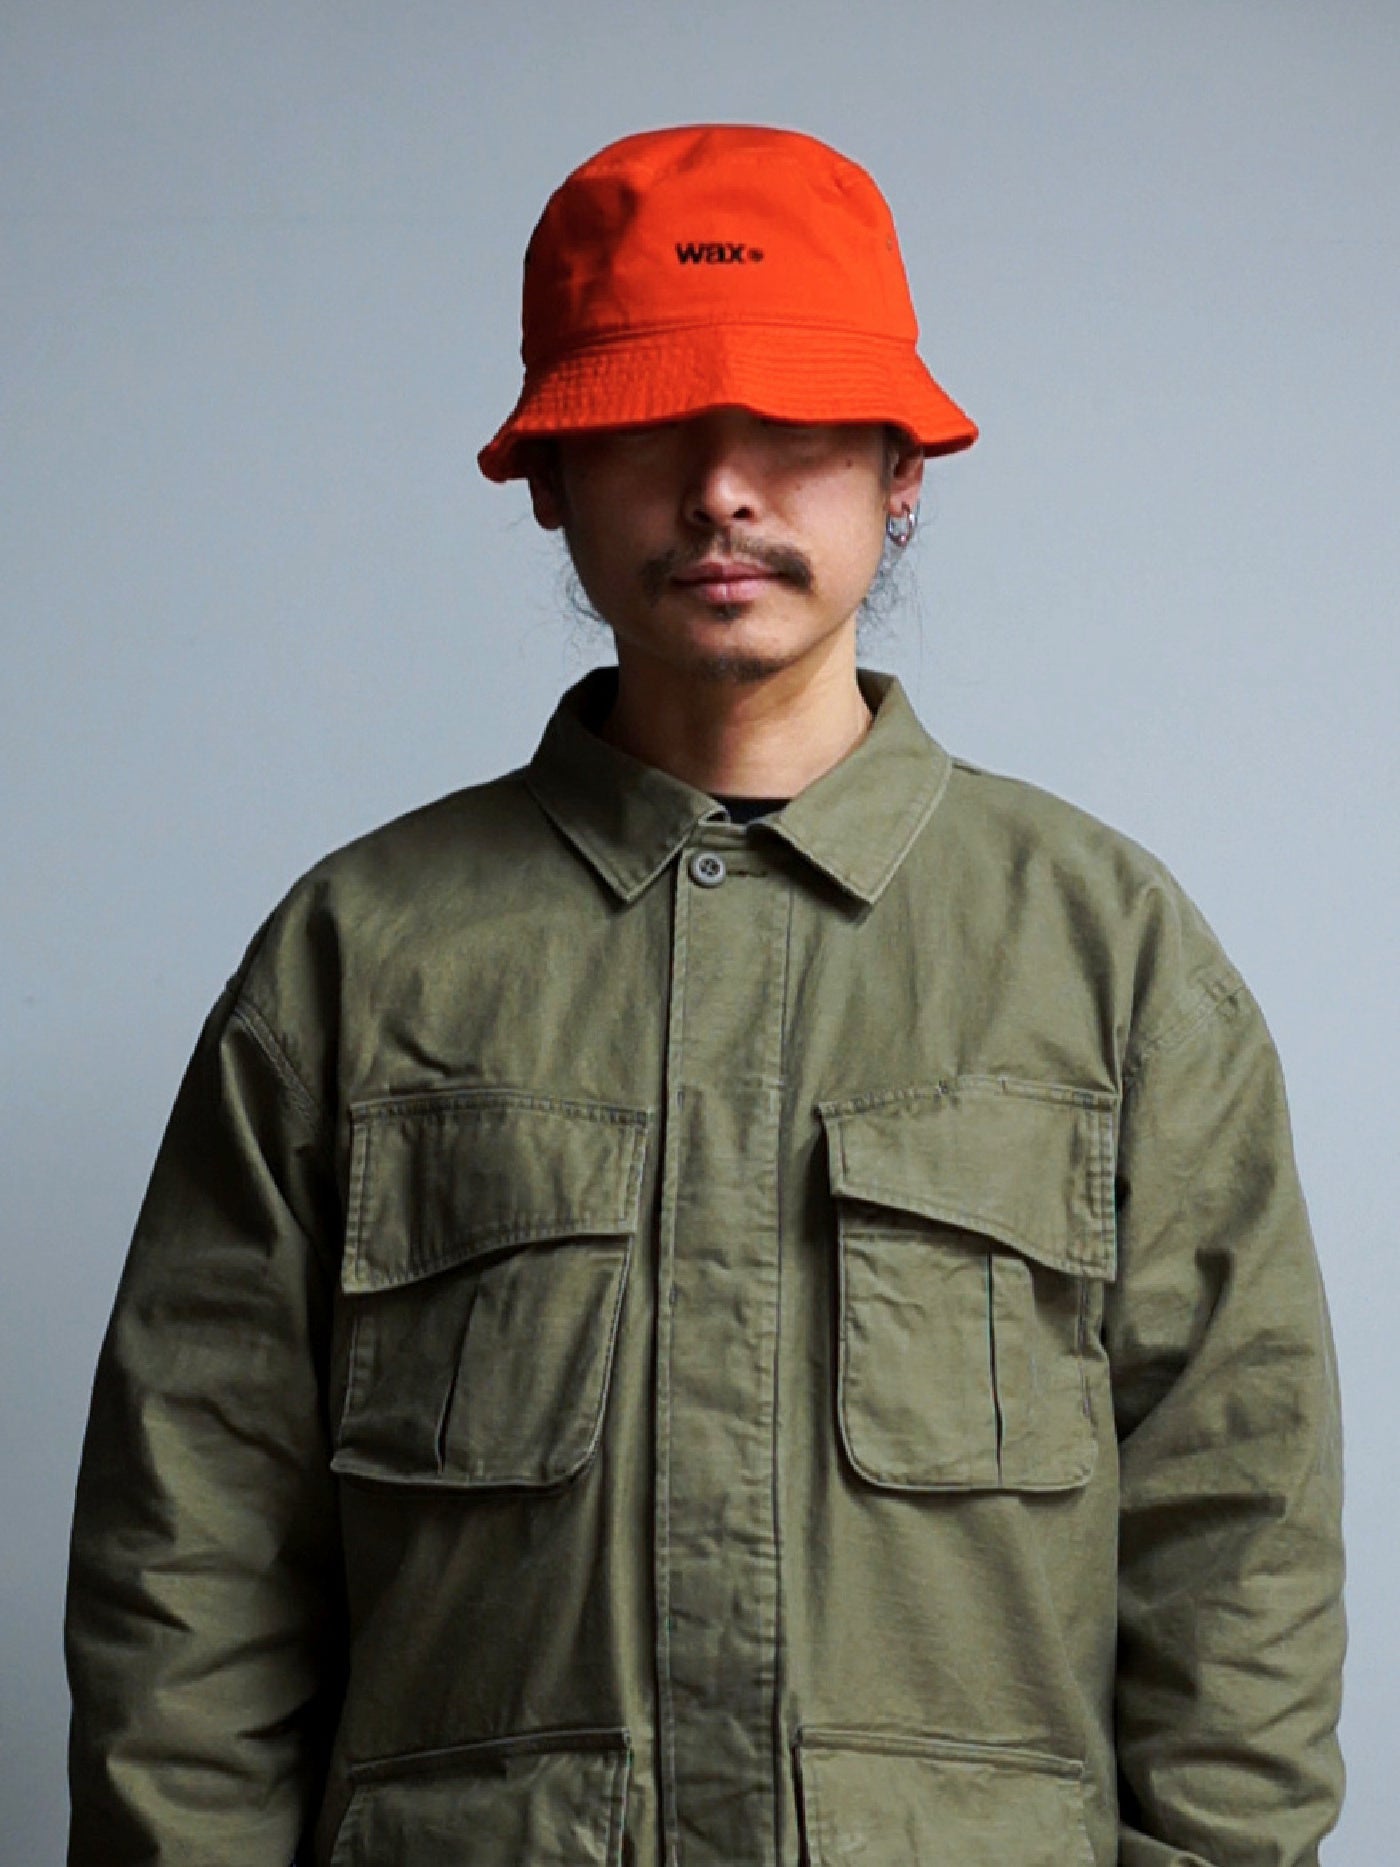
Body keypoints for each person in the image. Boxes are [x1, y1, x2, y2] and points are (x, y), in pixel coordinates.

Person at [65, 122, 1346, 1867]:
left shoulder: (1106, 957)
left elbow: (1241, 1541)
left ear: (901, 467)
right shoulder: (358, 958)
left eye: (795, 422)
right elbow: (187, 1561)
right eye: (651, 419)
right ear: (548, 476)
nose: (722, 489)